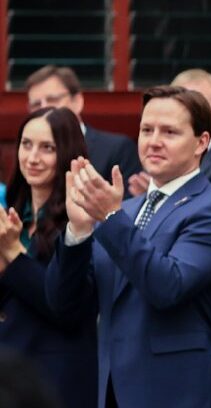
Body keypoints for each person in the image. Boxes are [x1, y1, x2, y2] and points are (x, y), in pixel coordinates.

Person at [46, 86, 211, 407]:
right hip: (113, 389)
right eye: (146, 129)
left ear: (202, 142)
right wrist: (78, 232)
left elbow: (167, 286)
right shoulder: (124, 210)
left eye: (169, 132)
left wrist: (109, 217)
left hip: (181, 391)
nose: (153, 141)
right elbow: (64, 304)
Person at [0, 107, 96, 408]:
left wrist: (13, 255)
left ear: (67, 153)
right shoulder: (11, 212)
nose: (32, 157)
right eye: (26, 144)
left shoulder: (82, 221)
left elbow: (64, 308)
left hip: (54, 379)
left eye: (47, 148)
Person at [130, 69, 211, 195]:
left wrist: (158, 195)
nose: (154, 142)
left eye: (198, 105)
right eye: (180, 103)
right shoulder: (154, 155)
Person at [25, 65, 141, 196]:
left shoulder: (117, 149)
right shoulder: (28, 155)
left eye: (53, 100)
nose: (44, 109)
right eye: (36, 105)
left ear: (77, 102)